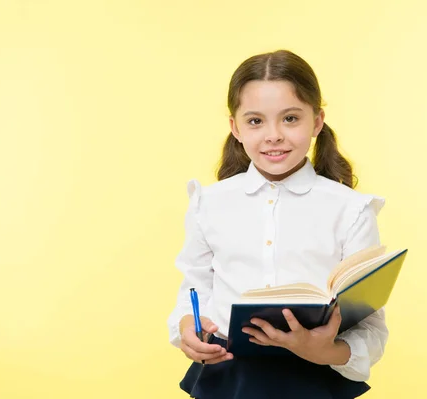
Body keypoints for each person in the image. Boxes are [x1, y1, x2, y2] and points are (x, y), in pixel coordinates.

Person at [167, 49, 389, 399]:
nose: (273, 135)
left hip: (314, 380)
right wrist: (186, 329)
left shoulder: (352, 210)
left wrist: (323, 351)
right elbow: (194, 289)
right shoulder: (208, 203)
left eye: (290, 118)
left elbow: (370, 325)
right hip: (227, 378)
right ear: (235, 127)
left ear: (317, 121)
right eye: (256, 121)